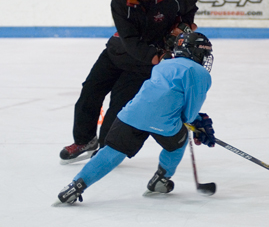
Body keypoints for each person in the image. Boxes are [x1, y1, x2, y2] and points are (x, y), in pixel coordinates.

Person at [59, 0, 199, 163]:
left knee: (119, 105)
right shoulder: (120, 1)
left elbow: (191, 8)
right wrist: (158, 57)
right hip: (118, 54)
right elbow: (130, 40)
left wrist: (183, 28)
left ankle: (107, 149)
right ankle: (84, 140)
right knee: (90, 91)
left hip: (141, 66)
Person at [55, 32, 216, 205]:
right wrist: (198, 125)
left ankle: (75, 186)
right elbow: (188, 115)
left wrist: (195, 121)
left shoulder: (163, 65)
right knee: (178, 143)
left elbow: (160, 97)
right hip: (164, 123)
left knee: (111, 152)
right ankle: (161, 180)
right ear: (197, 52)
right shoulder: (200, 73)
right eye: (204, 54)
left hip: (131, 113)